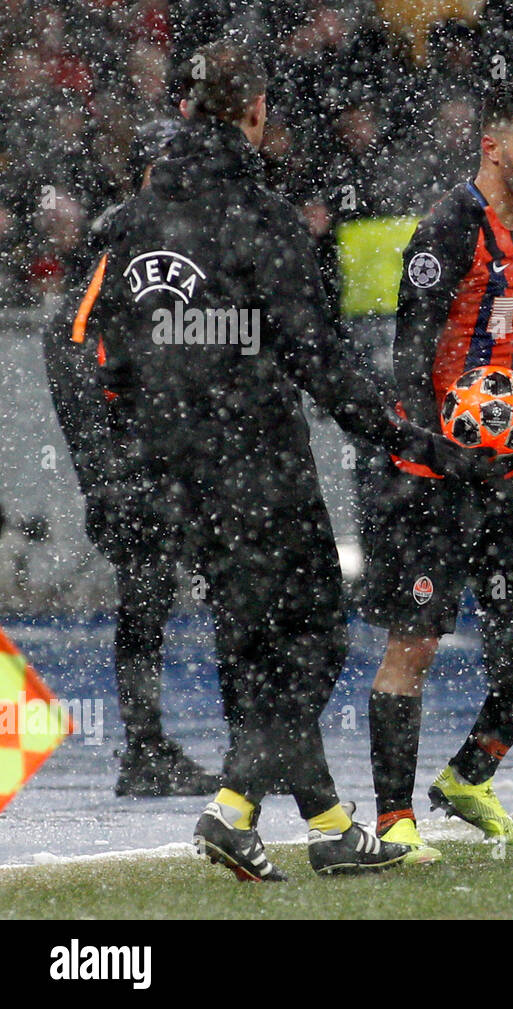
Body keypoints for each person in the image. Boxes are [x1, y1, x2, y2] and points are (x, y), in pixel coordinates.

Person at [83, 39, 459, 881]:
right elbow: (316, 357)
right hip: (256, 463)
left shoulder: (131, 222)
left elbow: (103, 354)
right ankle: (230, 809)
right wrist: (403, 439)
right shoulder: (260, 215)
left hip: (174, 467)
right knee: (314, 638)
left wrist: (120, 464)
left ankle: (327, 823)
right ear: (255, 114)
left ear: (182, 109)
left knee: (253, 649)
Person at [359, 81, 513, 861]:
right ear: (492, 147)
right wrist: (432, 454)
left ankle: (469, 774)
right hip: (434, 473)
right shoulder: (449, 227)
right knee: (414, 649)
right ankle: (394, 825)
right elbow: (407, 358)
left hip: (512, 468)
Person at [42, 117, 221, 799]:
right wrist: (105, 462)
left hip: (173, 444)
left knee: (185, 591)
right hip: (142, 449)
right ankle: (149, 746)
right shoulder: (124, 234)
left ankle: (230, 737)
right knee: (150, 592)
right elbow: (70, 341)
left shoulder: (185, 230)